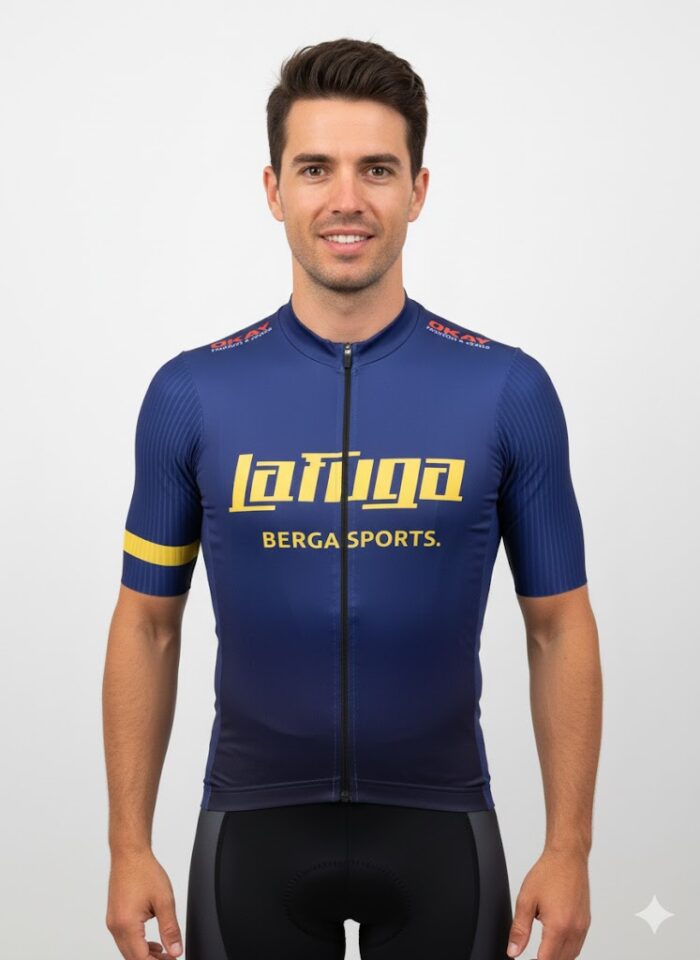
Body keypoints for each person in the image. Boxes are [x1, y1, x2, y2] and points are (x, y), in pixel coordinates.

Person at [103, 37, 602, 960]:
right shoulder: (192, 395)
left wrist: (569, 848)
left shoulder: (506, 391)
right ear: (273, 190)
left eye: (376, 169)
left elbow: (559, 624)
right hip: (251, 833)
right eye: (315, 169)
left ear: (417, 189)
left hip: (442, 831)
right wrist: (127, 845)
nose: (346, 199)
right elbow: (147, 624)